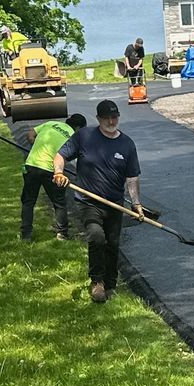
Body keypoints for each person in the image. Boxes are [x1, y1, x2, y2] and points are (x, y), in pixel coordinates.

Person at [72, 99, 143, 302]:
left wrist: (136, 204)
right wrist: (58, 171)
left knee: (112, 243)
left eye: (114, 117)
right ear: (98, 119)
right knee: (96, 236)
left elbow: (132, 177)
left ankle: (110, 283)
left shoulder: (127, 144)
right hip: (88, 201)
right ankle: (97, 282)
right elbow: (61, 155)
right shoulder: (84, 136)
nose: (111, 121)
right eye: (107, 118)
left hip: (114, 202)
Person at [19, 113, 85, 242]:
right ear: (78, 128)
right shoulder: (74, 136)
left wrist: (36, 147)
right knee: (59, 203)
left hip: (31, 165)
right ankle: (62, 233)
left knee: (28, 201)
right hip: (51, 170)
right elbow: (71, 156)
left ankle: (25, 235)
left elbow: (29, 134)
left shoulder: (51, 124)